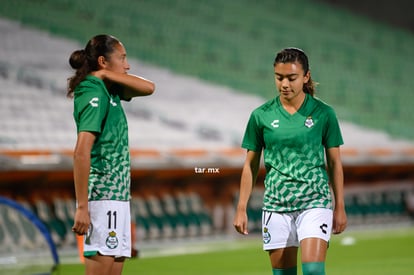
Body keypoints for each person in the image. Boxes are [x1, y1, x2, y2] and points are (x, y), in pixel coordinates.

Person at [233, 47, 347, 275]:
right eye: (279, 77)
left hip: (314, 201)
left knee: (313, 271)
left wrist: (340, 206)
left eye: (291, 78)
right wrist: (241, 207)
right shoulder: (261, 115)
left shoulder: (324, 113)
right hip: (277, 204)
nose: (285, 84)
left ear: (305, 77)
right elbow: (250, 165)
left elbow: (334, 163)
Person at [68, 34, 155, 275]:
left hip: (117, 197)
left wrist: (106, 75)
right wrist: (82, 206)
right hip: (102, 196)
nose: (127, 65)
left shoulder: (109, 88)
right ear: (103, 60)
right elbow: (81, 151)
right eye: (122, 58)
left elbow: (149, 87)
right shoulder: (92, 90)